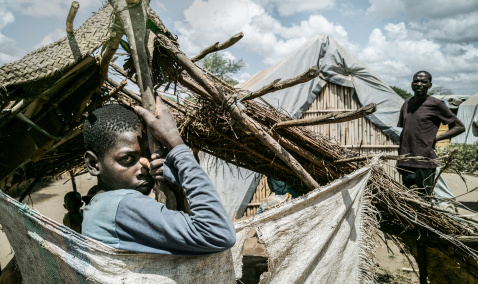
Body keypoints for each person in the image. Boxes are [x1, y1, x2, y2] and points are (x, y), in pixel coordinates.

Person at [81, 101, 235, 255]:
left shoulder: (101, 206)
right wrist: (175, 143)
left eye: (148, 155)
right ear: (93, 164)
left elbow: (189, 239)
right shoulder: (123, 205)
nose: (144, 166)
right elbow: (219, 234)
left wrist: (178, 191)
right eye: (127, 159)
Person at [397, 70, 465, 196]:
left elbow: (459, 127)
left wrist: (436, 138)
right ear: (412, 84)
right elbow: (405, 132)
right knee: (408, 199)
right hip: (406, 161)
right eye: (416, 81)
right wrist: (400, 158)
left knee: (423, 200)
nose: (419, 84)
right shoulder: (407, 103)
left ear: (430, 85)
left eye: (424, 81)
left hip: (424, 162)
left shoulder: (436, 104)